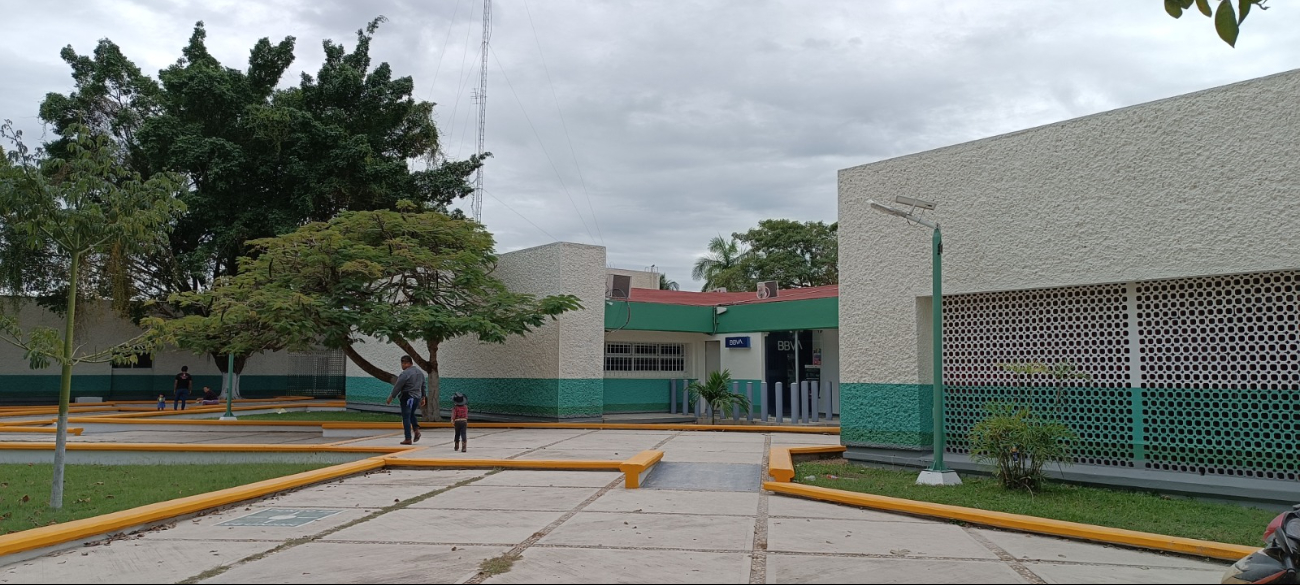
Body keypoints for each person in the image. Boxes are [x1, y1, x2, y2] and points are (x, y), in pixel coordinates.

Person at [385, 356, 427, 445]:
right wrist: (423, 397)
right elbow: (423, 385)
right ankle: (416, 431)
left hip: (407, 397)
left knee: (406, 417)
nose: (402, 366)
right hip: (417, 397)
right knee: (411, 414)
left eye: (403, 363)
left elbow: (398, 386)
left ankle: (408, 438)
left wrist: (391, 397)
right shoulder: (420, 373)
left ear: (407, 363)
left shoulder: (405, 374)